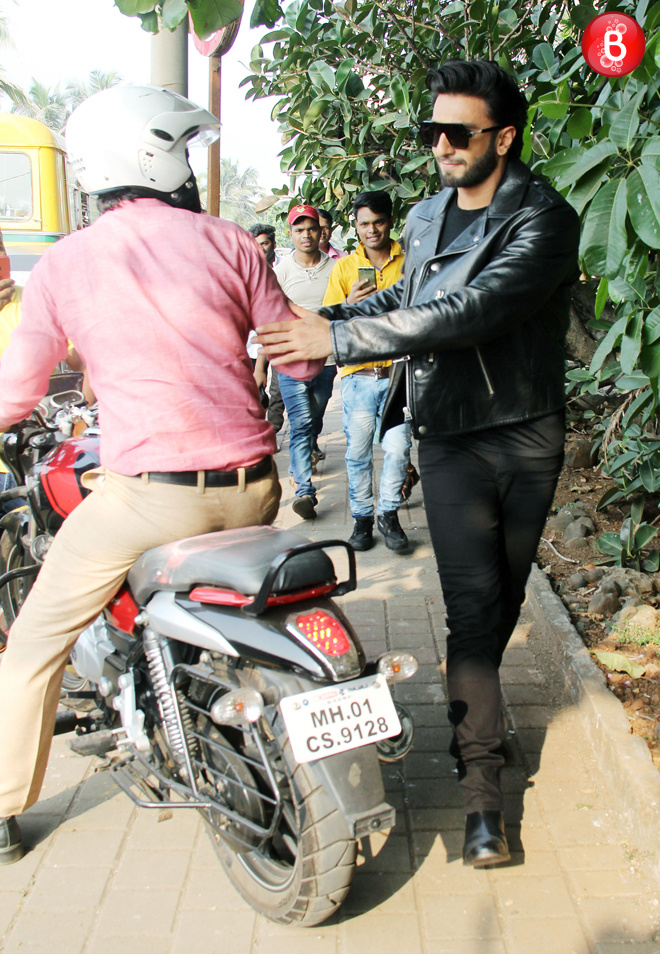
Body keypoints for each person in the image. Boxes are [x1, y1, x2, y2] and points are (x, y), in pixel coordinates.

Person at [255, 59, 581, 868]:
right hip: (449, 439)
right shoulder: (431, 214)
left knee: (500, 605)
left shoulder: (544, 217)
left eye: (457, 132)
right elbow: (401, 302)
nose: (439, 145)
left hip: (526, 433)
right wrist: (325, 316)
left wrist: (339, 341)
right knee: (473, 609)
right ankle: (481, 795)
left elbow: (472, 311)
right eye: (430, 130)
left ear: (503, 137)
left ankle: (482, 710)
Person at [0, 84, 323, 865]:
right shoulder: (232, 242)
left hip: (152, 498)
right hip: (255, 486)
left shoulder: (65, 263)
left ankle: (4, 808)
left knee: (33, 643)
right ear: (156, 158)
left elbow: (17, 393)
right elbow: (305, 358)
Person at [323, 190, 411, 552]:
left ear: (390, 221)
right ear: (355, 227)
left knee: (399, 450)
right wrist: (348, 305)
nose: (371, 230)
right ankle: (361, 519)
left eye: (377, 222)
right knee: (357, 453)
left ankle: (388, 515)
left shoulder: (409, 262)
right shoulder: (344, 268)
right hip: (358, 376)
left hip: (398, 373)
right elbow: (330, 320)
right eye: (364, 224)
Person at [273, 205, 335, 520]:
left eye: (310, 228)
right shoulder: (281, 271)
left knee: (316, 417)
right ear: (291, 234)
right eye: (299, 230)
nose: (306, 235)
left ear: (320, 231)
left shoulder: (335, 267)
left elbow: (343, 308)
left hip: (327, 359)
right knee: (300, 424)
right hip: (292, 359)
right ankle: (304, 492)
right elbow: (268, 315)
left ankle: (309, 449)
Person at [247, 223, 285, 434]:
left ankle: (272, 430)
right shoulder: (242, 271)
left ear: (273, 245)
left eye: (264, 243)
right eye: (255, 244)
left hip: (277, 340)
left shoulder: (281, 270)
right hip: (251, 344)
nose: (260, 249)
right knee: (253, 389)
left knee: (278, 391)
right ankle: (256, 429)